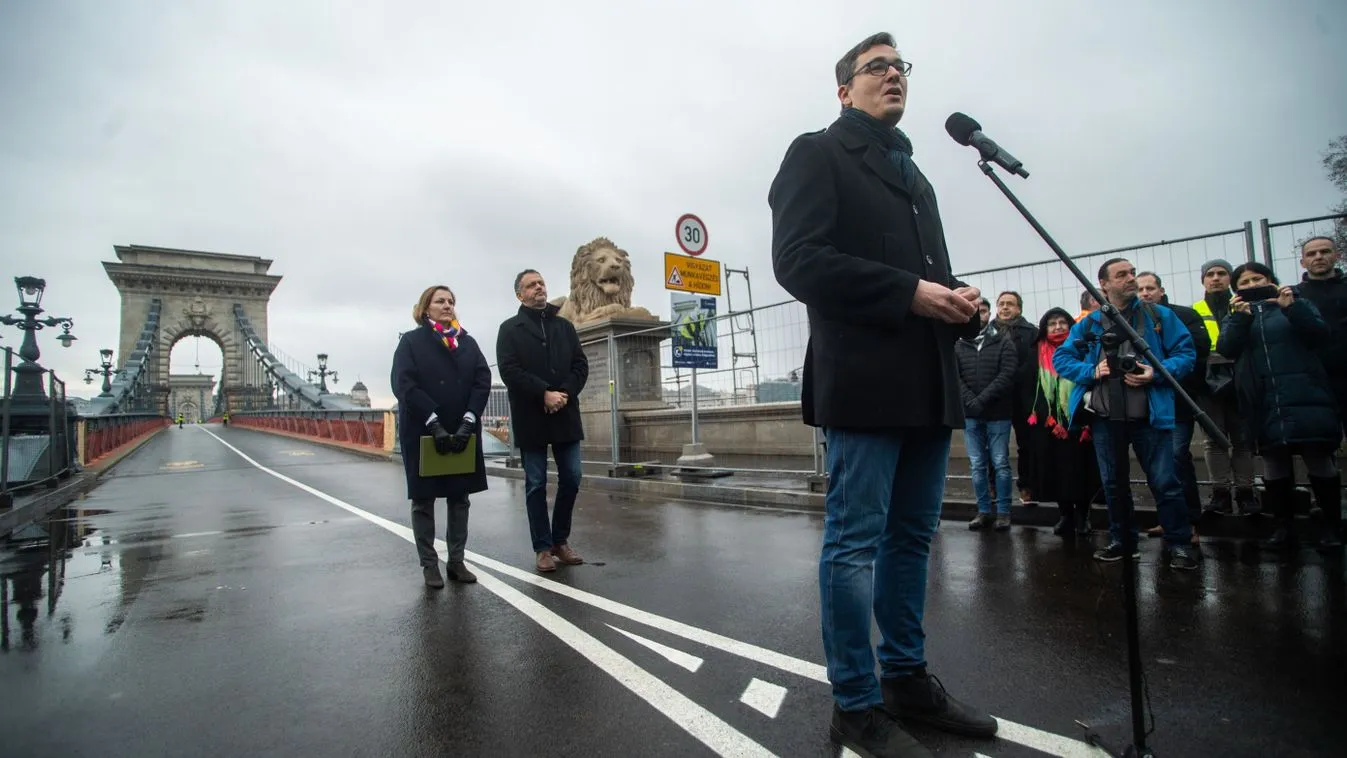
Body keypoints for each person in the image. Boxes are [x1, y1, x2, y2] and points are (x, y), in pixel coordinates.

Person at [768, 31, 996, 758]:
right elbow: (798, 260)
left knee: (911, 540)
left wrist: (962, 305)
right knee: (855, 544)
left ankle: (905, 679)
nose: (892, 76)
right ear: (844, 90)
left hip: (927, 382)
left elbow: (930, 275)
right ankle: (856, 704)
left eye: (900, 68)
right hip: (864, 381)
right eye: (876, 68)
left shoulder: (915, 173)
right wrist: (911, 294)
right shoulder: (818, 151)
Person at [1053, 258, 1199, 569]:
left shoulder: (1159, 316)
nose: (1131, 279)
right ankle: (1123, 541)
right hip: (1107, 419)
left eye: (1132, 273)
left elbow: (1186, 354)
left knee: (1165, 482)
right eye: (1122, 275)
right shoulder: (1091, 323)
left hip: (1151, 415)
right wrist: (1092, 370)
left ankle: (1180, 544)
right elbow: (1062, 358)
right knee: (1114, 484)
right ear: (1103, 284)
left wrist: (1155, 372)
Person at [1217, 262, 1342, 550]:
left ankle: (1332, 527)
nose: (1251, 286)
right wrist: (1239, 319)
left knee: (1318, 457)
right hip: (1262, 399)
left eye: (1257, 279)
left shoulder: (1297, 304)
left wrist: (1292, 308)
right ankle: (1283, 526)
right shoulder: (1237, 315)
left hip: (1305, 393)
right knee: (1274, 463)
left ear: (1271, 280)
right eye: (1244, 283)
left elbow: (1319, 335)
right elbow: (1227, 348)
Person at [392, 285, 492, 588]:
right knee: (424, 500)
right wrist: (432, 420)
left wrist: (470, 418)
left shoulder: (468, 342)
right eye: (440, 301)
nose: (447, 305)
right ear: (426, 309)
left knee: (459, 498)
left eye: (451, 301)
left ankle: (457, 562)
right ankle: (429, 565)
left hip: (462, 428)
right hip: (424, 429)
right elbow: (403, 384)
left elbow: (482, 379)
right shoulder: (410, 342)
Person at [496, 269, 590, 574]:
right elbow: (509, 371)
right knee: (536, 483)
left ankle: (560, 541)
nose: (539, 287)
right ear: (519, 294)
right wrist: (543, 394)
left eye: (541, 283)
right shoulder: (509, 329)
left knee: (572, 477)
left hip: (564, 413)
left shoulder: (564, 326)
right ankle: (542, 547)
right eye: (531, 285)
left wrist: (563, 393)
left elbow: (580, 365)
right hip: (531, 416)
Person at [1137, 272, 1209, 546]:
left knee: (1177, 458)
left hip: (1177, 402)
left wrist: (1161, 370)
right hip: (1146, 404)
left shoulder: (1182, 315)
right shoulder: (1131, 321)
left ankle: (1190, 521)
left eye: (1150, 288)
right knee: (1155, 466)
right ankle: (1168, 519)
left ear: (1161, 290)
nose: (1145, 293)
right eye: (1140, 289)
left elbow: (1194, 351)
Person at [1022, 307, 1101, 537]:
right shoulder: (1034, 352)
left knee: (1080, 470)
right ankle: (1065, 515)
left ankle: (1083, 516)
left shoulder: (1082, 349)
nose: (1057, 327)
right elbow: (1026, 387)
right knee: (1055, 471)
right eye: (1052, 323)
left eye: (1062, 323)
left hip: (1078, 422)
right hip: (1047, 425)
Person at [1192, 258, 1258, 516]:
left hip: (1241, 379)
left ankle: (1245, 493)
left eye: (1222, 273)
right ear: (1203, 280)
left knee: (1242, 440)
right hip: (1208, 382)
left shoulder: (1243, 306)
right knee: (1214, 440)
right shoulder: (1194, 309)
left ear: (1230, 278)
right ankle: (1220, 493)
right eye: (1211, 274)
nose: (1216, 278)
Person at [956, 318, 1018, 531]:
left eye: (982, 311)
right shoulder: (958, 344)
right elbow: (955, 377)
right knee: (977, 464)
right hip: (970, 414)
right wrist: (971, 402)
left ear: (988, 313)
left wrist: (981, 400)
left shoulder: (1004, 342)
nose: (978, 315)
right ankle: (983, 510)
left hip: (998, 413)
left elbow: (1007, 374)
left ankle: (1003, 513)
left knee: (1000, 462)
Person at [1294, 236, 1347, 437]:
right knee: (1323, 444)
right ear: (1303, 262)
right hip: (1314, 380)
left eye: (1324, 251)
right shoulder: (1294, 295)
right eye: (1311, 254)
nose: (1318, 257)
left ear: (1337, 255)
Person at [992, 291, 1039, 505]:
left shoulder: (1031, 333)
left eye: (1010, 304)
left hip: (1023, 397)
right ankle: (993, 488)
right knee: (993, 447)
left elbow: (1033, 364)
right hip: (996, 398)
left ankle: (1027, 487)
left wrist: (1010, 378)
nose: (1005, 308)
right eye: (1001, 304)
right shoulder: (987, 332)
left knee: (1027, 445)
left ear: (1019, 308)